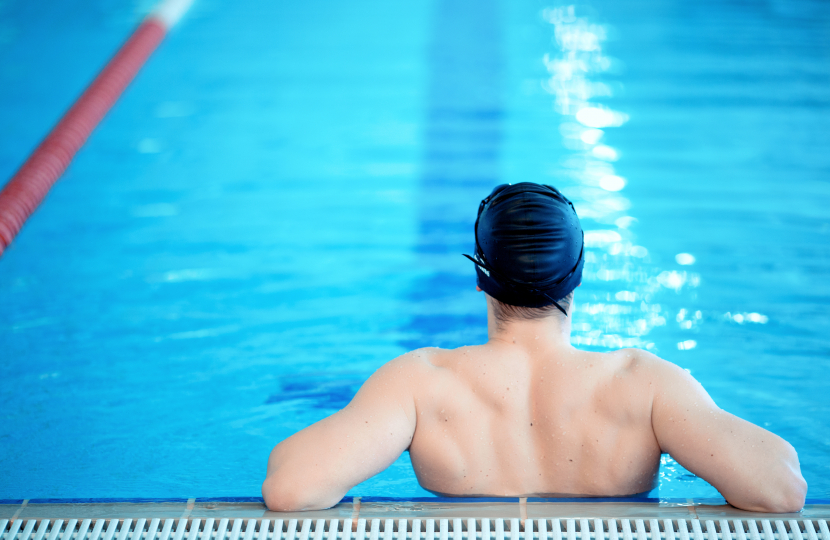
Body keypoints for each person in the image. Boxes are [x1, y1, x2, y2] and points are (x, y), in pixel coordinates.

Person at [262, 182, 807, 513]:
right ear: (578, 278)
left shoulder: (419, 382)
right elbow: (782, 489)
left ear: (481, 280)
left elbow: (290, 489)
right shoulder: (645, 384)